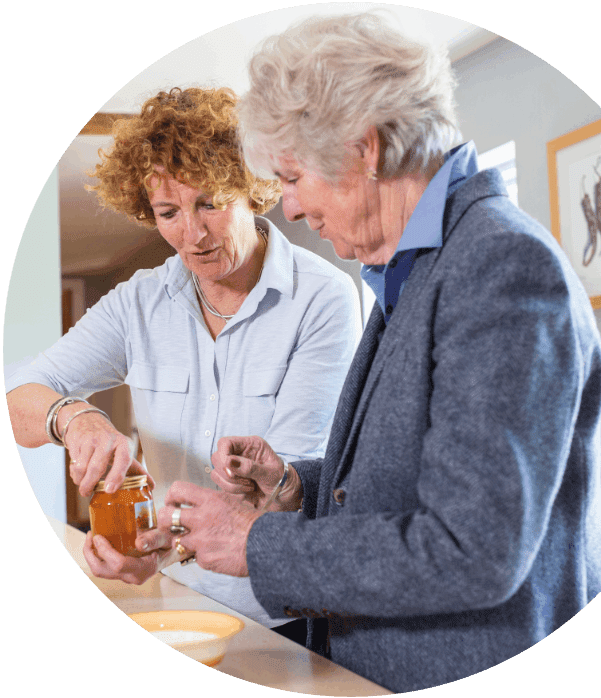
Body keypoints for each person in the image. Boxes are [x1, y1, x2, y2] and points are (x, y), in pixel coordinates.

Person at [142, 13, 601, 693]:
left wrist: (255, 543)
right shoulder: (420, 265)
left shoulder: (499, 265)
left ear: (366, 149)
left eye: (293, 177)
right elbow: (422, 469)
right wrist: (298, 487)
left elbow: (472, 549)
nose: (289, 209)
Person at [5, 87, 361, 638]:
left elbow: (286, 490)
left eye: (210, 203)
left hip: (287, 614)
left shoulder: (322, 300)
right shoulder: (138, 302)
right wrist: (76, 419)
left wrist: (165, 536)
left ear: (250, 189)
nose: (192, 236)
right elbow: (22, 393)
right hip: (179, 601)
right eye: (168, 212)